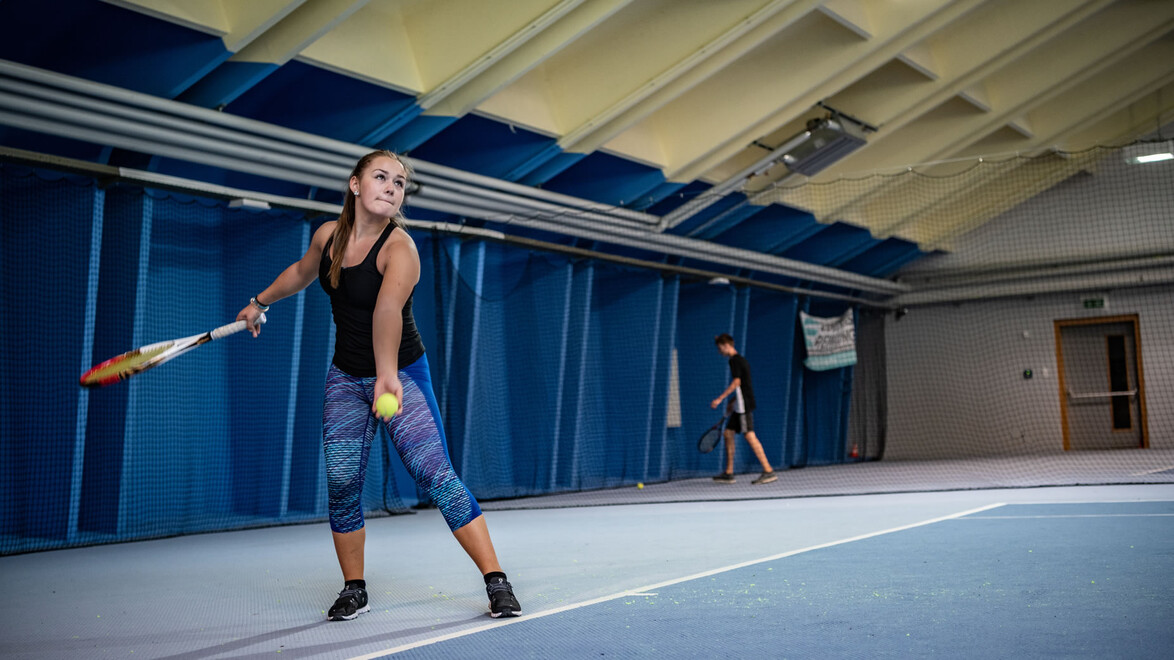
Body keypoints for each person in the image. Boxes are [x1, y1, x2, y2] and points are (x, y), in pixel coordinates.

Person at [236, 150, 521, 620]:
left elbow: (387, 311)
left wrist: (387, 373)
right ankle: (354, 588)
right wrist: (258, 302)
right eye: (381, 177)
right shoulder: (328, 236)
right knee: (343, 481)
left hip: (401, 373)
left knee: (434, 475)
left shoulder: (400, 249)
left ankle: (496, 581)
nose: (392, 187)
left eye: (400, 183)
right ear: (355, 185)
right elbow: (302, 272)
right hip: (345, 378)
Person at [709, 333, 776, 485]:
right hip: (740, 403)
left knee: (749, 435)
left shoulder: (734, 361)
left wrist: (720, 399)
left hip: (744, 404)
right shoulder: (740, 360)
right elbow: (743, 386)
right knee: (728, 433)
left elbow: (737, 383)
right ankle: (729, 472)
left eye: (720, 348)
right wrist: (732, 401)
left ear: (726, 345)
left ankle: (768, 470)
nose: (719, 351)